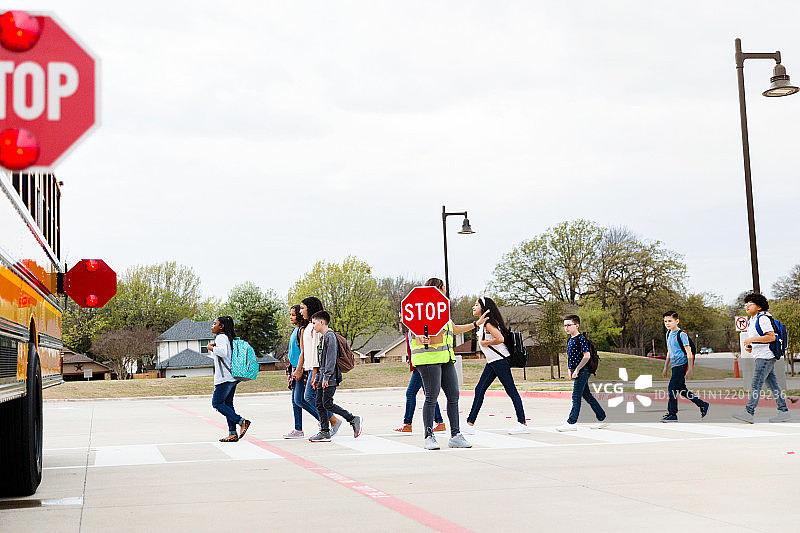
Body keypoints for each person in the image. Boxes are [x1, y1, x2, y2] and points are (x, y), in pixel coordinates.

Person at [411, 277, 488, 450]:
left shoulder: (442, 310)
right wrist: (420, 337)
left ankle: (455, 435)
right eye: (443, 288)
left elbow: (453, 328)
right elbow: (414, 332)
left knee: (453, 396)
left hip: (446, 359)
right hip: (428, 360)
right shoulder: (420, 309)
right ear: (437, 289)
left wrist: (476, 323)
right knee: (431, 397)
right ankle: (429, 436)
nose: (446, 291)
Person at [463, 297, 529, 435]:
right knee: (479, 390)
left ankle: (522, 423)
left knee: (511, 391)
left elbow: (500, 338)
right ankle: (470, 424)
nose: (473, 307)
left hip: (500, 361)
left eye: (476, 305)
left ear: (484, 307)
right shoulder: (484, 323)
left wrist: (486, 343)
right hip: (493, 362)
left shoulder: (488, 324)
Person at [732, 293, 791, 424]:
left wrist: (751, 339)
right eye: (745, 304)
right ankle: (784, 411)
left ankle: (749, 412)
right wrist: (750, 346)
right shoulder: (752, 320)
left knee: (756, 383)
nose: (747, 306)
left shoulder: (763, 318)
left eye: (750, 304)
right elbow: (760, 340)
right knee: (773, 385)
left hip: (766, 356)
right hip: (760, 355)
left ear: (759, 306)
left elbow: (771, 337)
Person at [308, 311, 363, 442]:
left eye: (314, 323)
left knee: (327, 403)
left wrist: (326, 377)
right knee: (319, 404)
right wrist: (317, 378)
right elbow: (322, 361)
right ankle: (325, 432)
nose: (313, 326)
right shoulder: (322, 338)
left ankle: (352, 418)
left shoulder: (330, 336)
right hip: (323, 376)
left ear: (322, 322)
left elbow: (331, 359)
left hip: (330, 377)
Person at [296, 297, 342, 436]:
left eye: (303, 308)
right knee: (308, 398)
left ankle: (332, 421)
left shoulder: (316, 326)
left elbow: (318, 350)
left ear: (310, 308)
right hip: (310, 367)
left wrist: (315, 372)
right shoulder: (309, 326)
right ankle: (327, 422)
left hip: (316, 368)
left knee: (310, 397)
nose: (300, 311)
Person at [557, 315, 607, 432]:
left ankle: (571, 422)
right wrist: (570, 370)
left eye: (569, 325)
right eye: (565, 325)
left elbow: (587, 356)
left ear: (577, 325)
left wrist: (577, 370)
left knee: (576, 396)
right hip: (576, 370)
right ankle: (603, 418)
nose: (566, 328)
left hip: (583, 370)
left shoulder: (581, 339)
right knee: (587, 395)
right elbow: (570, 358)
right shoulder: (570, 340)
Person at [395, 325, 446, 433]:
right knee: (429, 395)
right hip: (417, 364)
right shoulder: (411, 330)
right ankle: (440, 422)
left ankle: (407, 424)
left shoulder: (419, 328)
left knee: (410, 393)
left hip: (421, 365)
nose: (401, 316)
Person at [207, 316, 251, 442]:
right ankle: (232, 433)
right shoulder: (228, 338)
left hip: (224, 378)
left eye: (214, 323)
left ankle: (241, 421)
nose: (212, 326)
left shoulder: (221, 337)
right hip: (232, 377)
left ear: (222, 326)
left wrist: (210, 348)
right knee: (228, 405)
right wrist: (214, 347)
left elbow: (222, 352)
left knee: (217, 403)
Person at [661, 311, 709, 422]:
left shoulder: (681, 334)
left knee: (671, 388)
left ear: (676, 321)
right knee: (682, 390)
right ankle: (702, 404)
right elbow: (669, 352)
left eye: (670, 321)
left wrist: (690, 368)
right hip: (674, 365)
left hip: (681, 365)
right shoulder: (668, 334)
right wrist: (665, 367)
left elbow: (689, 351)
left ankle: (672, 414)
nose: (667, 323)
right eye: (665, 321)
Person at [283, 305, 320, 439]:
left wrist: (299, 369)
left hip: (301, 368)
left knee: (300, 399)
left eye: (293, 314)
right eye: (290, 314)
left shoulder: (302, 330)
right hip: (294, 367)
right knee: (294, 401)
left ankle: (323, 420)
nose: (291, 317)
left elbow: (303, 352)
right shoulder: (295, 330)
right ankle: (298, 429)